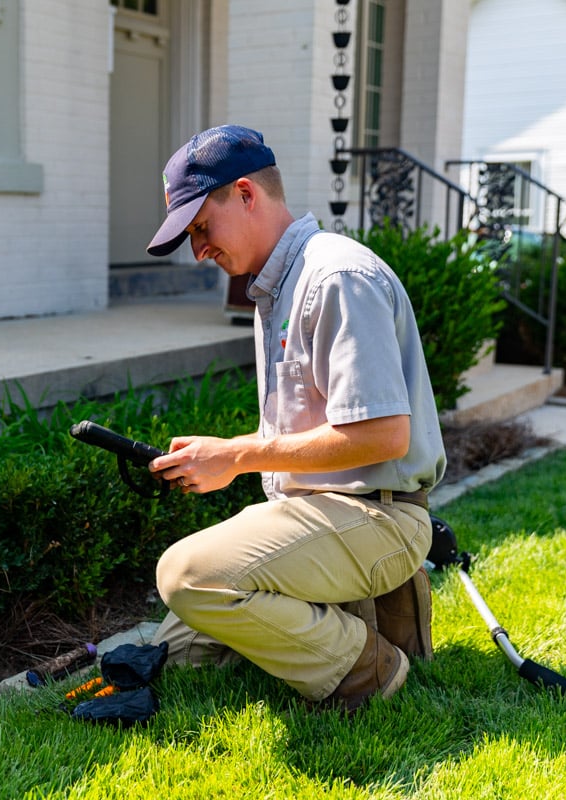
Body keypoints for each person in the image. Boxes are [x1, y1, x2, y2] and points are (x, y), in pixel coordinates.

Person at [144, 124, 446, 711]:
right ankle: (353, 614)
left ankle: (369, 669)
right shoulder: (280, 285)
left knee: (185, 577)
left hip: (378, 518)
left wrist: (235, 456)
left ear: (246, 194)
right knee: (175, 655)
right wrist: (216, 456)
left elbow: (383, 433)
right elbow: (307, 431)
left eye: (201, 227)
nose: (198, 250)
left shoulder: (335, 277)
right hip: (321, 511)